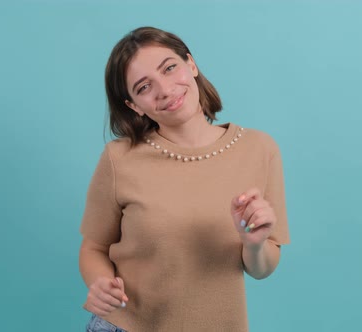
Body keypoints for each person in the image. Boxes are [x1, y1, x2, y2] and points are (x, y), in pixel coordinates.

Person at [79, 26, 290, 331]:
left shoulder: (259, 149)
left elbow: (262, 268)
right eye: (143, 87)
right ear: (134, 106)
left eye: (170, 68)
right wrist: (101, 283)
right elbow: (93, 248)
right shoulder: (119, 158)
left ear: (191, 64)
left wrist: (254, 244)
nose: (164, 89)